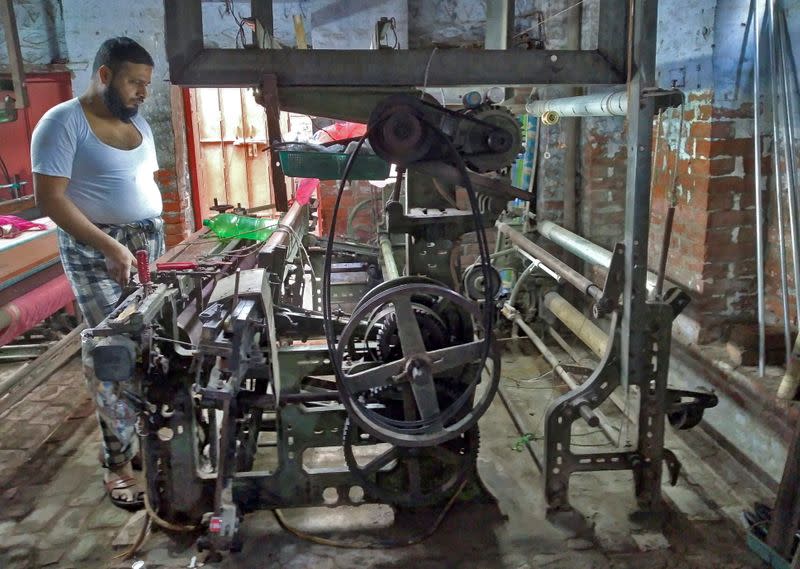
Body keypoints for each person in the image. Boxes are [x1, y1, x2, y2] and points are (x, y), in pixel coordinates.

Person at [31, 37, 164, 510]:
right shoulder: (62, 123)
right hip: (95, 249)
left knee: (153, 343)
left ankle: (148, 442)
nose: (142, 93)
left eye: (146, 85)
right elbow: (50, 200)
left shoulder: (137, 122)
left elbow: (138, 183)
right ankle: (118, 464)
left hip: (144, 243)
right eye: (134, 82)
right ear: (104, 75)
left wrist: (143, 240)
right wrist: (109, 245)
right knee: (112, 351)